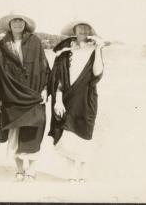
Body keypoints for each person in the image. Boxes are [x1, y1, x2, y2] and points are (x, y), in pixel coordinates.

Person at [0, 11, 50, 182]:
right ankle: (19, 170)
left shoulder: (35, 41)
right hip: (10, 94)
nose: (17, 23)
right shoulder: (3, 44)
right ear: (9, 24)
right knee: (14, 132)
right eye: (14, 21)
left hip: (33, 93)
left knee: (34, 130)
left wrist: (45, 88)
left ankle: (31, 169)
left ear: (25, 24)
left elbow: (44, 67)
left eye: (20, 21)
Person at [48, 22, 106, 182]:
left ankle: (83, 172)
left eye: (87, 27)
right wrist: (58, 101)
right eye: (80, 27)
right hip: (68, 98)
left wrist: (98, 49)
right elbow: (58, 79)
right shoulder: (66, 50)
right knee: (67, 136)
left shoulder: (94, 49)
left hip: (87, 98)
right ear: (74, 30)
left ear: (90, 31)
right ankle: (71, 173)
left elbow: (97, 73)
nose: (83, 30)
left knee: (85, 134)